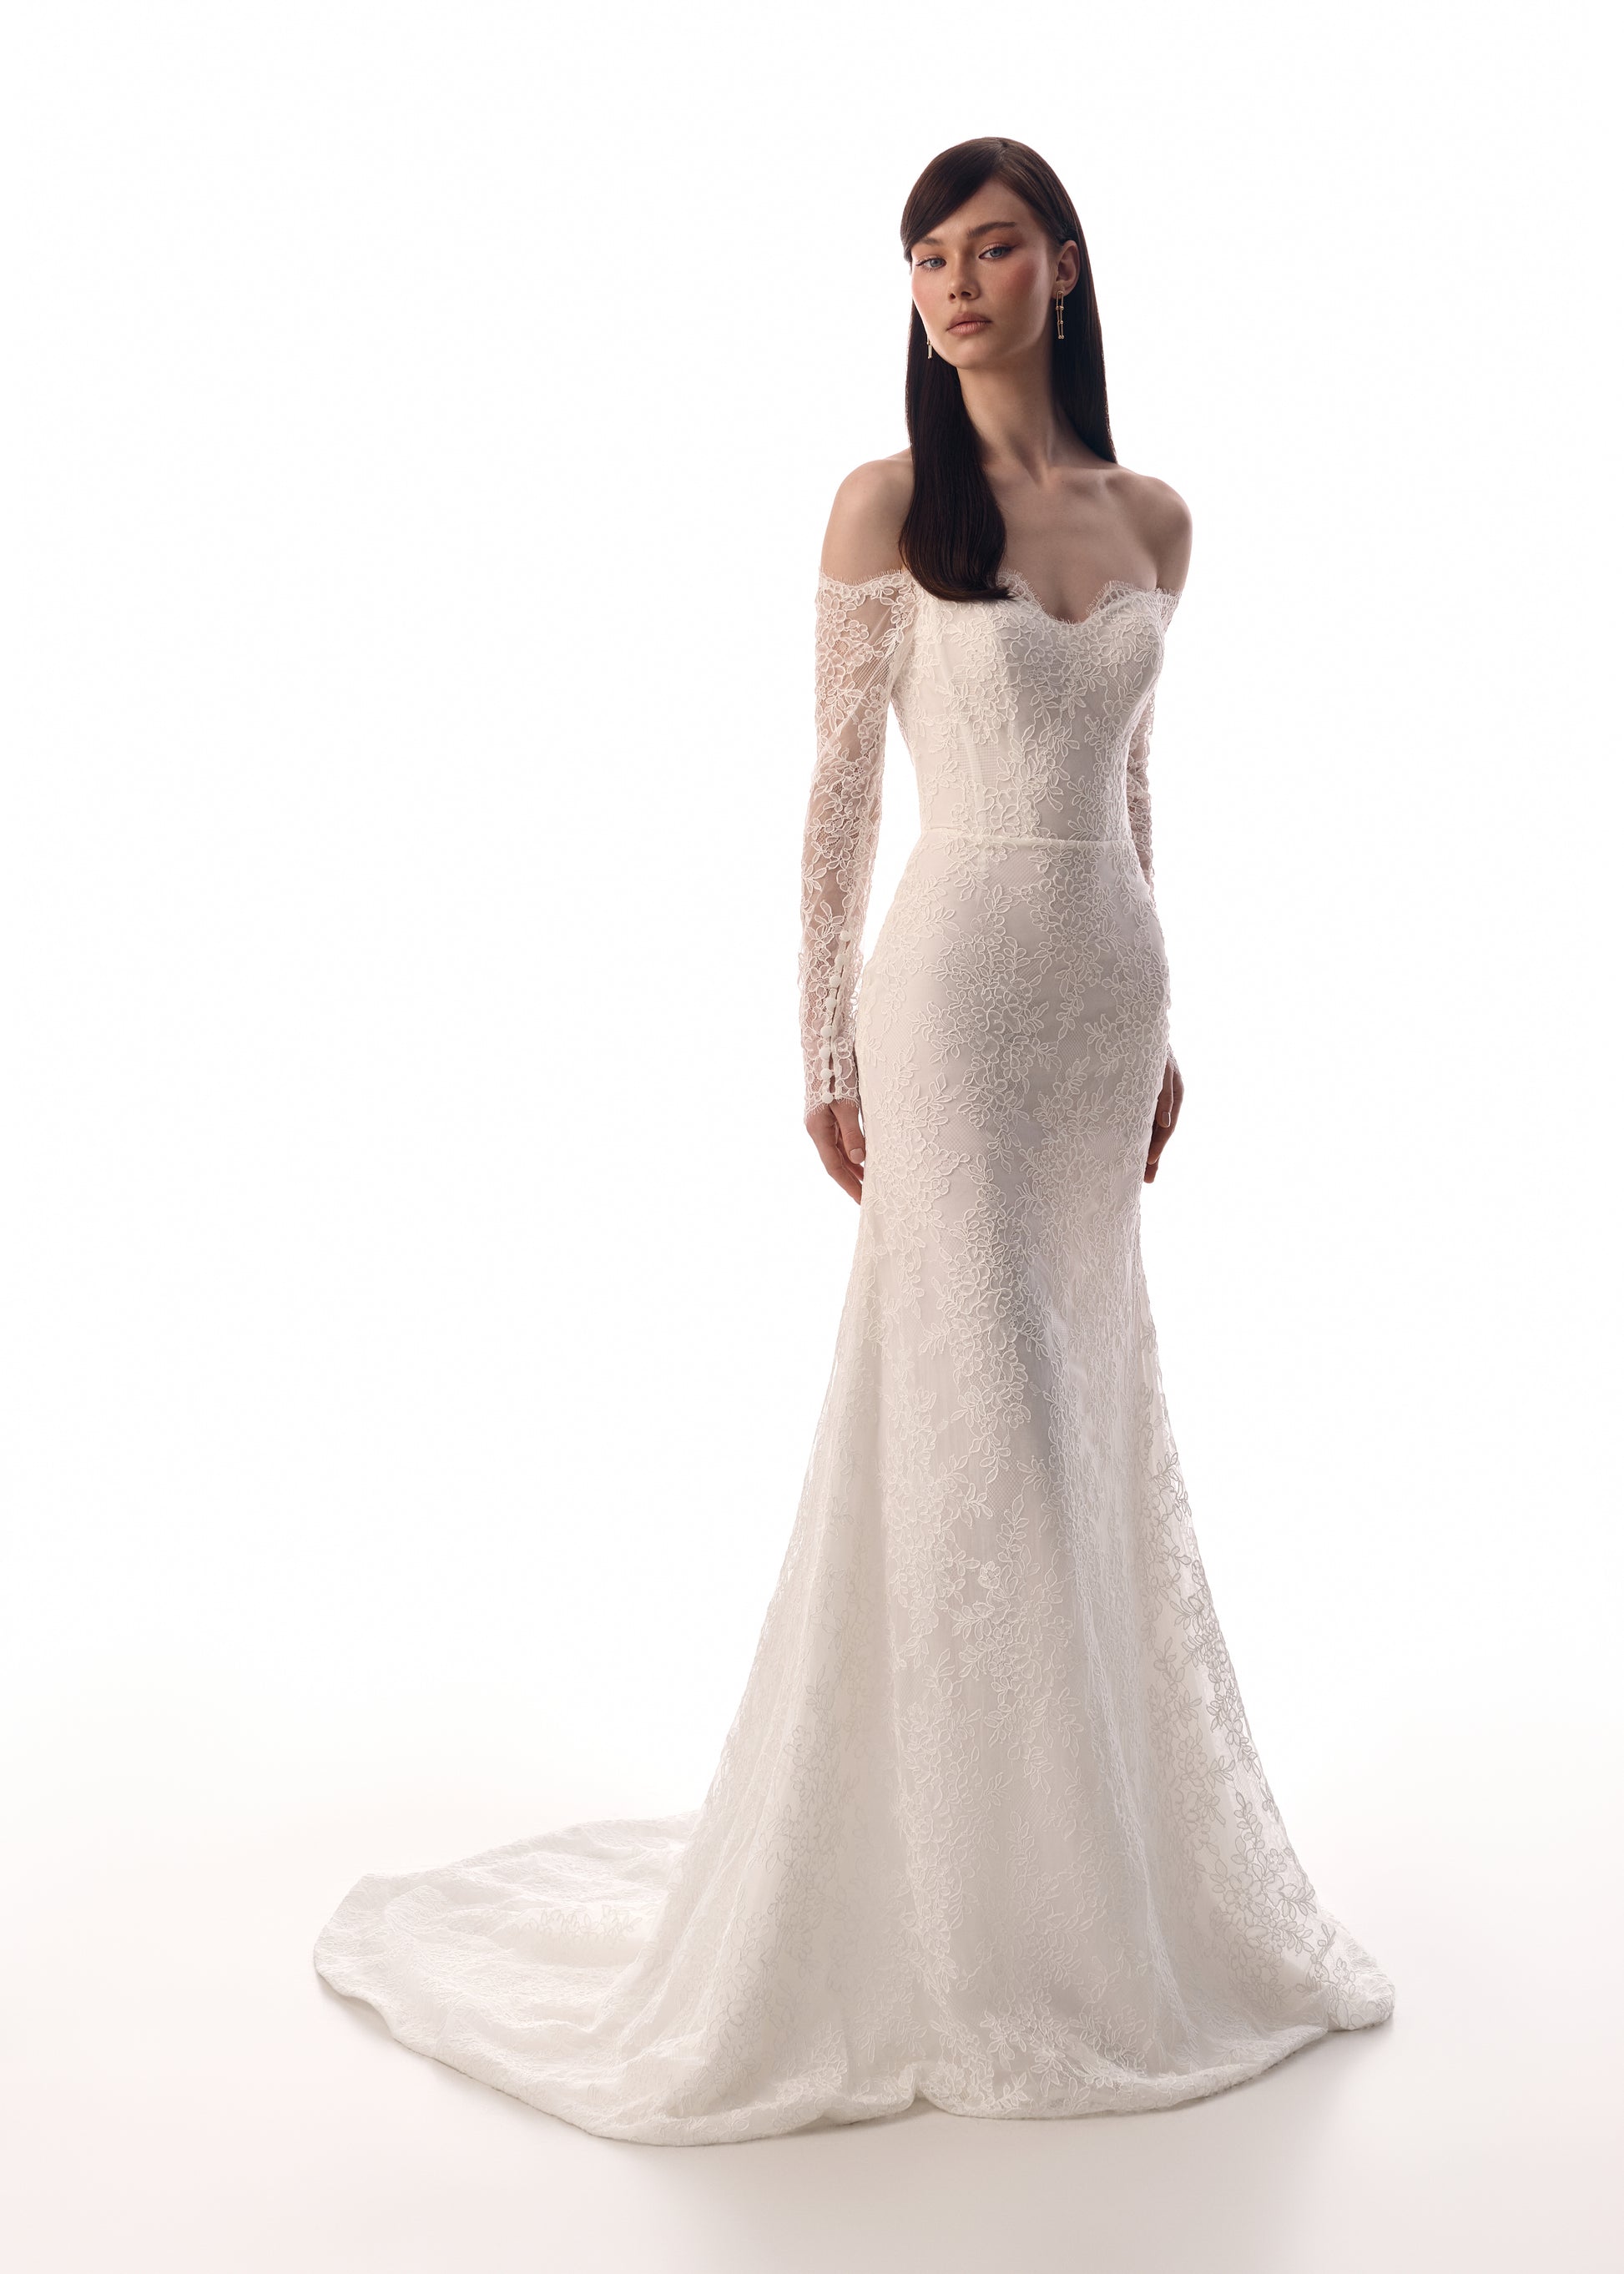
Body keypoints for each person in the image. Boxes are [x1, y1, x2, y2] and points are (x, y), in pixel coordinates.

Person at [313, 136, 1395, 2145]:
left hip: (1099, 1004)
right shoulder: (886, 504)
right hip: (952, 1000)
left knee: (1083, 1401)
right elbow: (832, 794)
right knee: (981, 1416)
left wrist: (1164, 1013)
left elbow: (1131, 781)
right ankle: (963, 1910)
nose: (954, 284)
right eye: (925, 258)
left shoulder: (1156, 515)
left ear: (1064, 268)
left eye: (990, 248)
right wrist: (821, 1035)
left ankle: (1091, 1881)